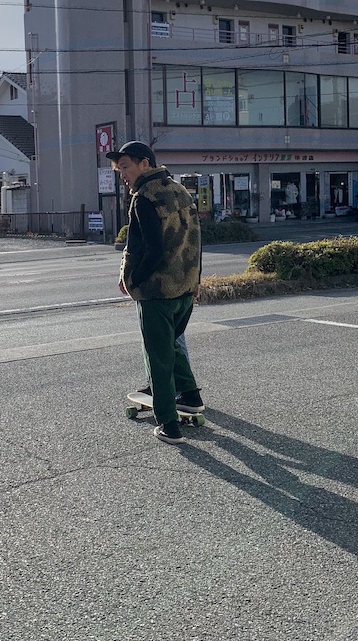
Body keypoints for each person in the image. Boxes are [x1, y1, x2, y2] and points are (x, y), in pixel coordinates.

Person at [108, 140, 203, 445]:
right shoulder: (180, 191)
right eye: (119, 170)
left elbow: (151, 249)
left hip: (157, 291)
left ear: (145, 164)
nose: (123, 175)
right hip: (185, 288)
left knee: (158, 355)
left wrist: (133, 280)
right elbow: (196, 240)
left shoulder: (144, 198)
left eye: (126, 167)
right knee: (171, 343)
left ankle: (169, 425)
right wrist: (196, 280)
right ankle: (190, 396)